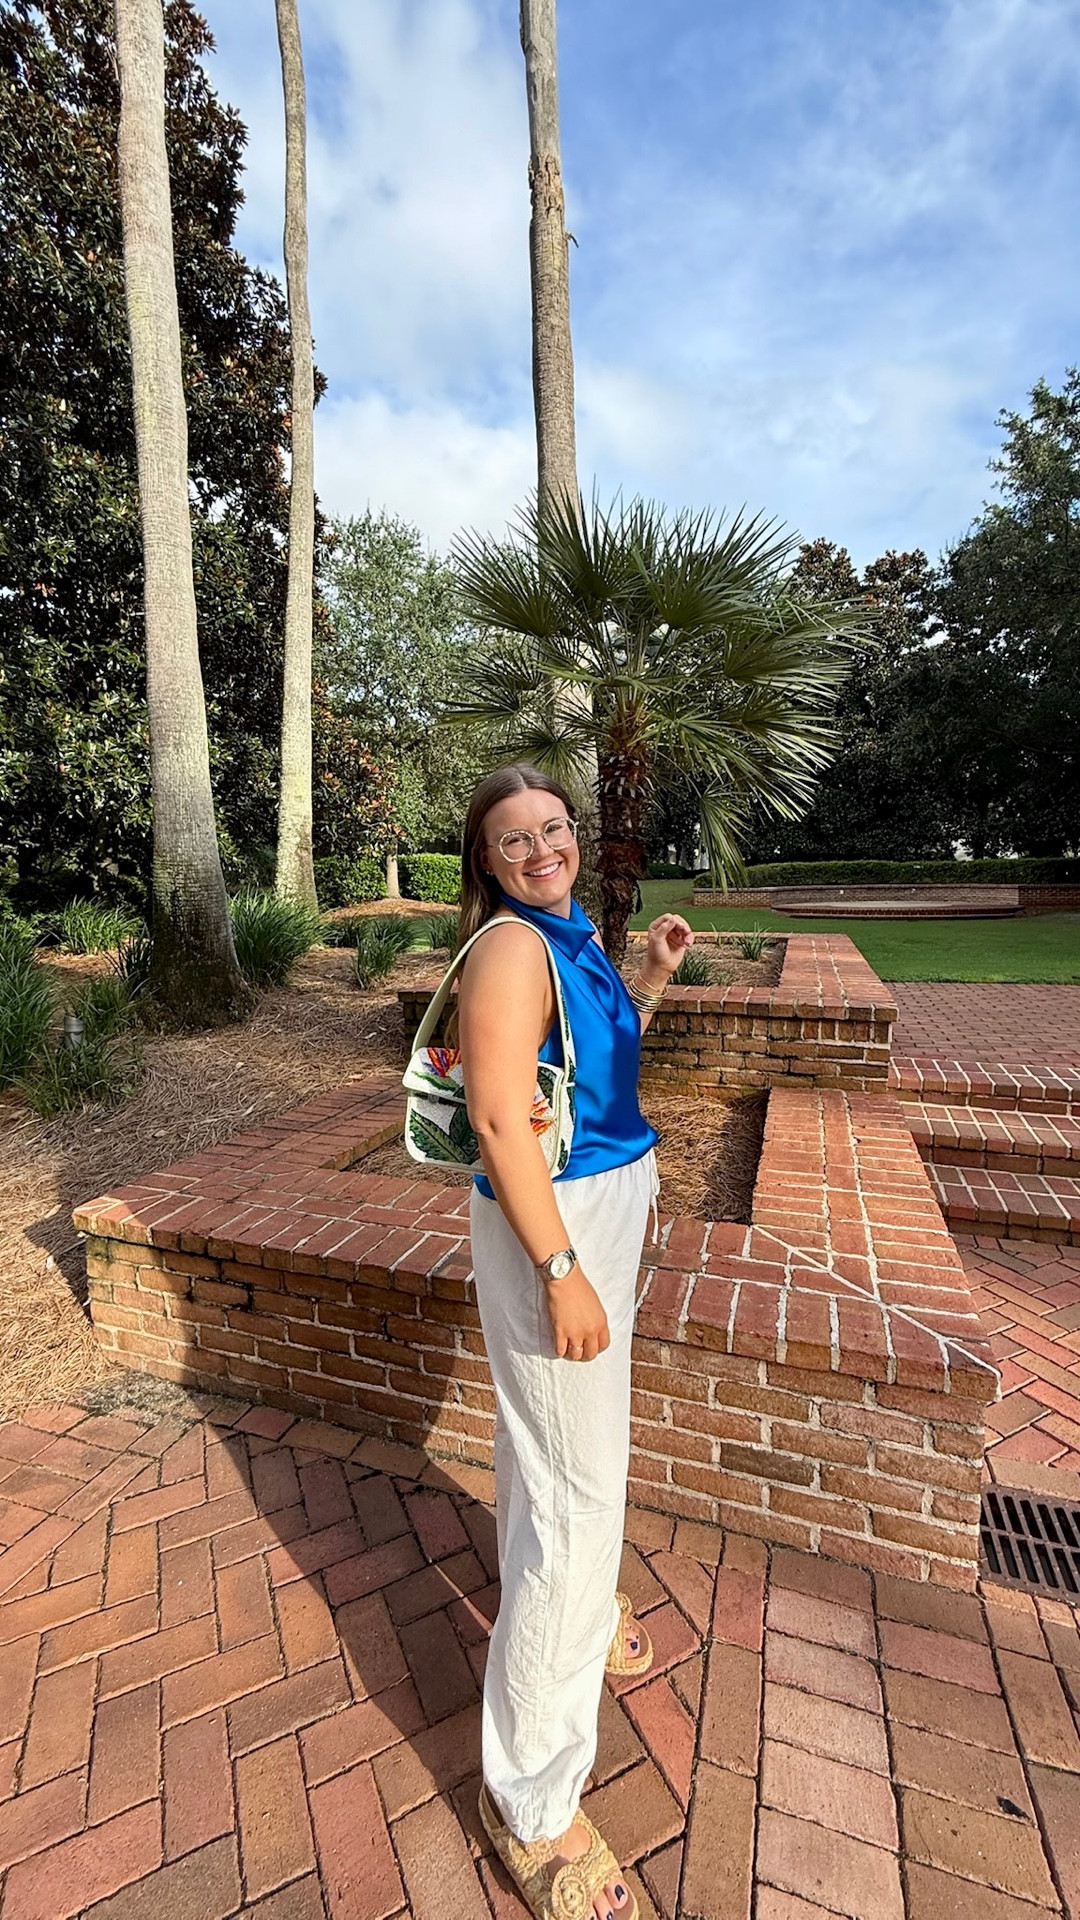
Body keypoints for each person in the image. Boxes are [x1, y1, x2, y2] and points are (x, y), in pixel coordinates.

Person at [455, 762, 693, 1920]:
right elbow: (501, 1119)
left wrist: (647, 976)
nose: (542, 848)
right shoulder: (509, 947)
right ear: (487, 860)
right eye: (515, 838)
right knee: (576, 1501)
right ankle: (532, 1798)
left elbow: (587, 1072)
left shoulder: (571, 932)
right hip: (556, 1225)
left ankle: (579, 1620)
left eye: (553, 827)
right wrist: (560, 1272)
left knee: (552, 1457)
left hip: (598, 1203)